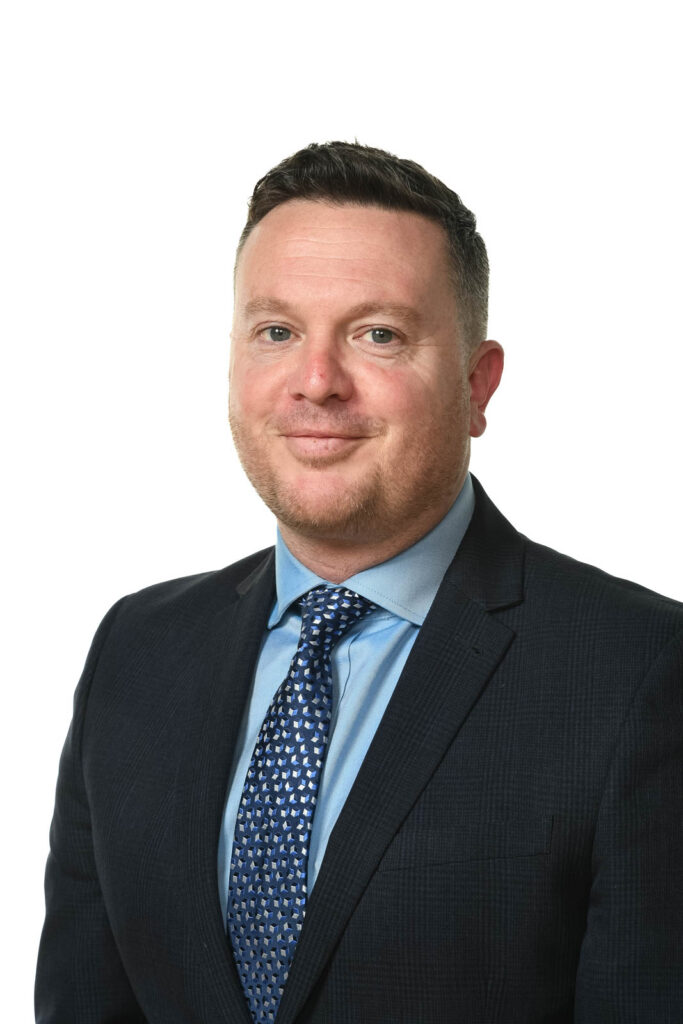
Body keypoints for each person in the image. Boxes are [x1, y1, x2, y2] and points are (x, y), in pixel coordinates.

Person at [36, 141, 683, 1024]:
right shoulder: (136, 650)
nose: (315, 382)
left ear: (475, 385)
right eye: (276, 332)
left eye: (377, 334)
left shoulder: (639, 672)